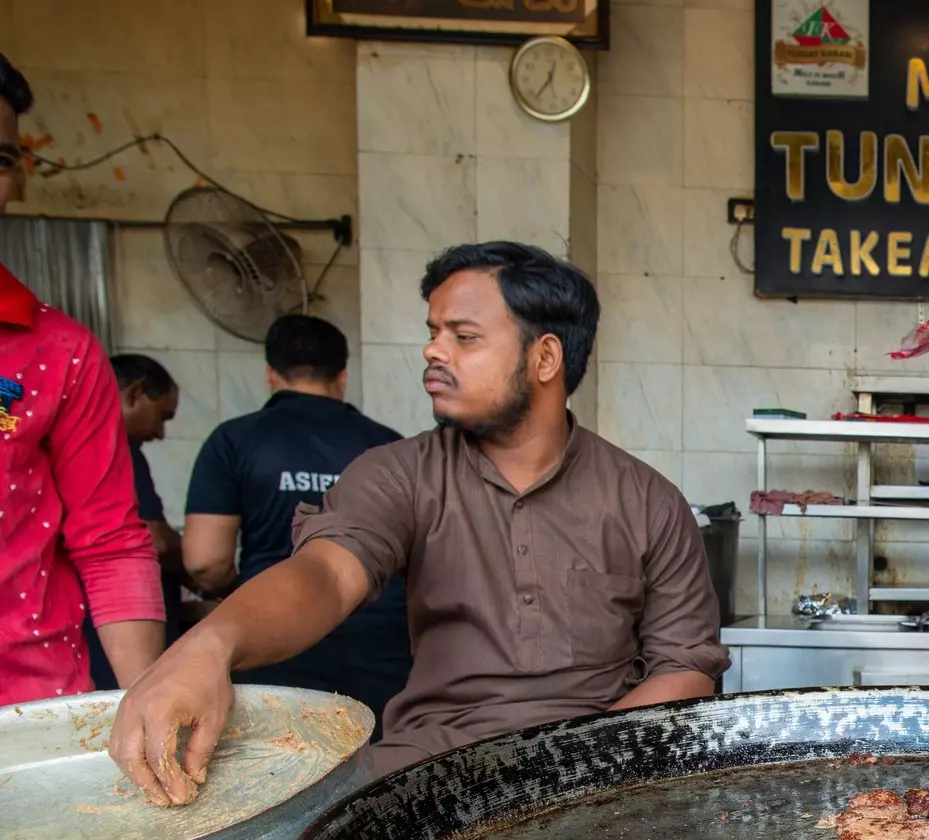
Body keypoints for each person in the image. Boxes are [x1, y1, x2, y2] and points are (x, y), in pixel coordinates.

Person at [110, 241, 730, 803]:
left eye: (464, 337)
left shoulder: (648, 500)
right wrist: (210, 644)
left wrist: (571, 765)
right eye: (434, 332)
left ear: (545, 358)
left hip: (602, 777)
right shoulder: (398, 475)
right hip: (430, 779)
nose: (434, 350)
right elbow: (325, 573)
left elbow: (685, 669)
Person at [0, 52, 164, 705]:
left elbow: (110, 541)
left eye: (0, 160)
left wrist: (150, 704)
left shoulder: (57, 351)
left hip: (31, 715)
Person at [182, 314, 412, 733]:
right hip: (379, 647)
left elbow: (205, 561)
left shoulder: (234, 440)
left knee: (286, 772)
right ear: (342, 376)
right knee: (378, 774)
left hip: (274, 642)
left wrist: (231, 595)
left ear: (271, 374)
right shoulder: (387, 444)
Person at [85, 353, 184, 689]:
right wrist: (196, 561)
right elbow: (153, 538)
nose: (159, 432)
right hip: (117, 636)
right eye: (162, 416)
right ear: (133, 394)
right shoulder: (116, 447)